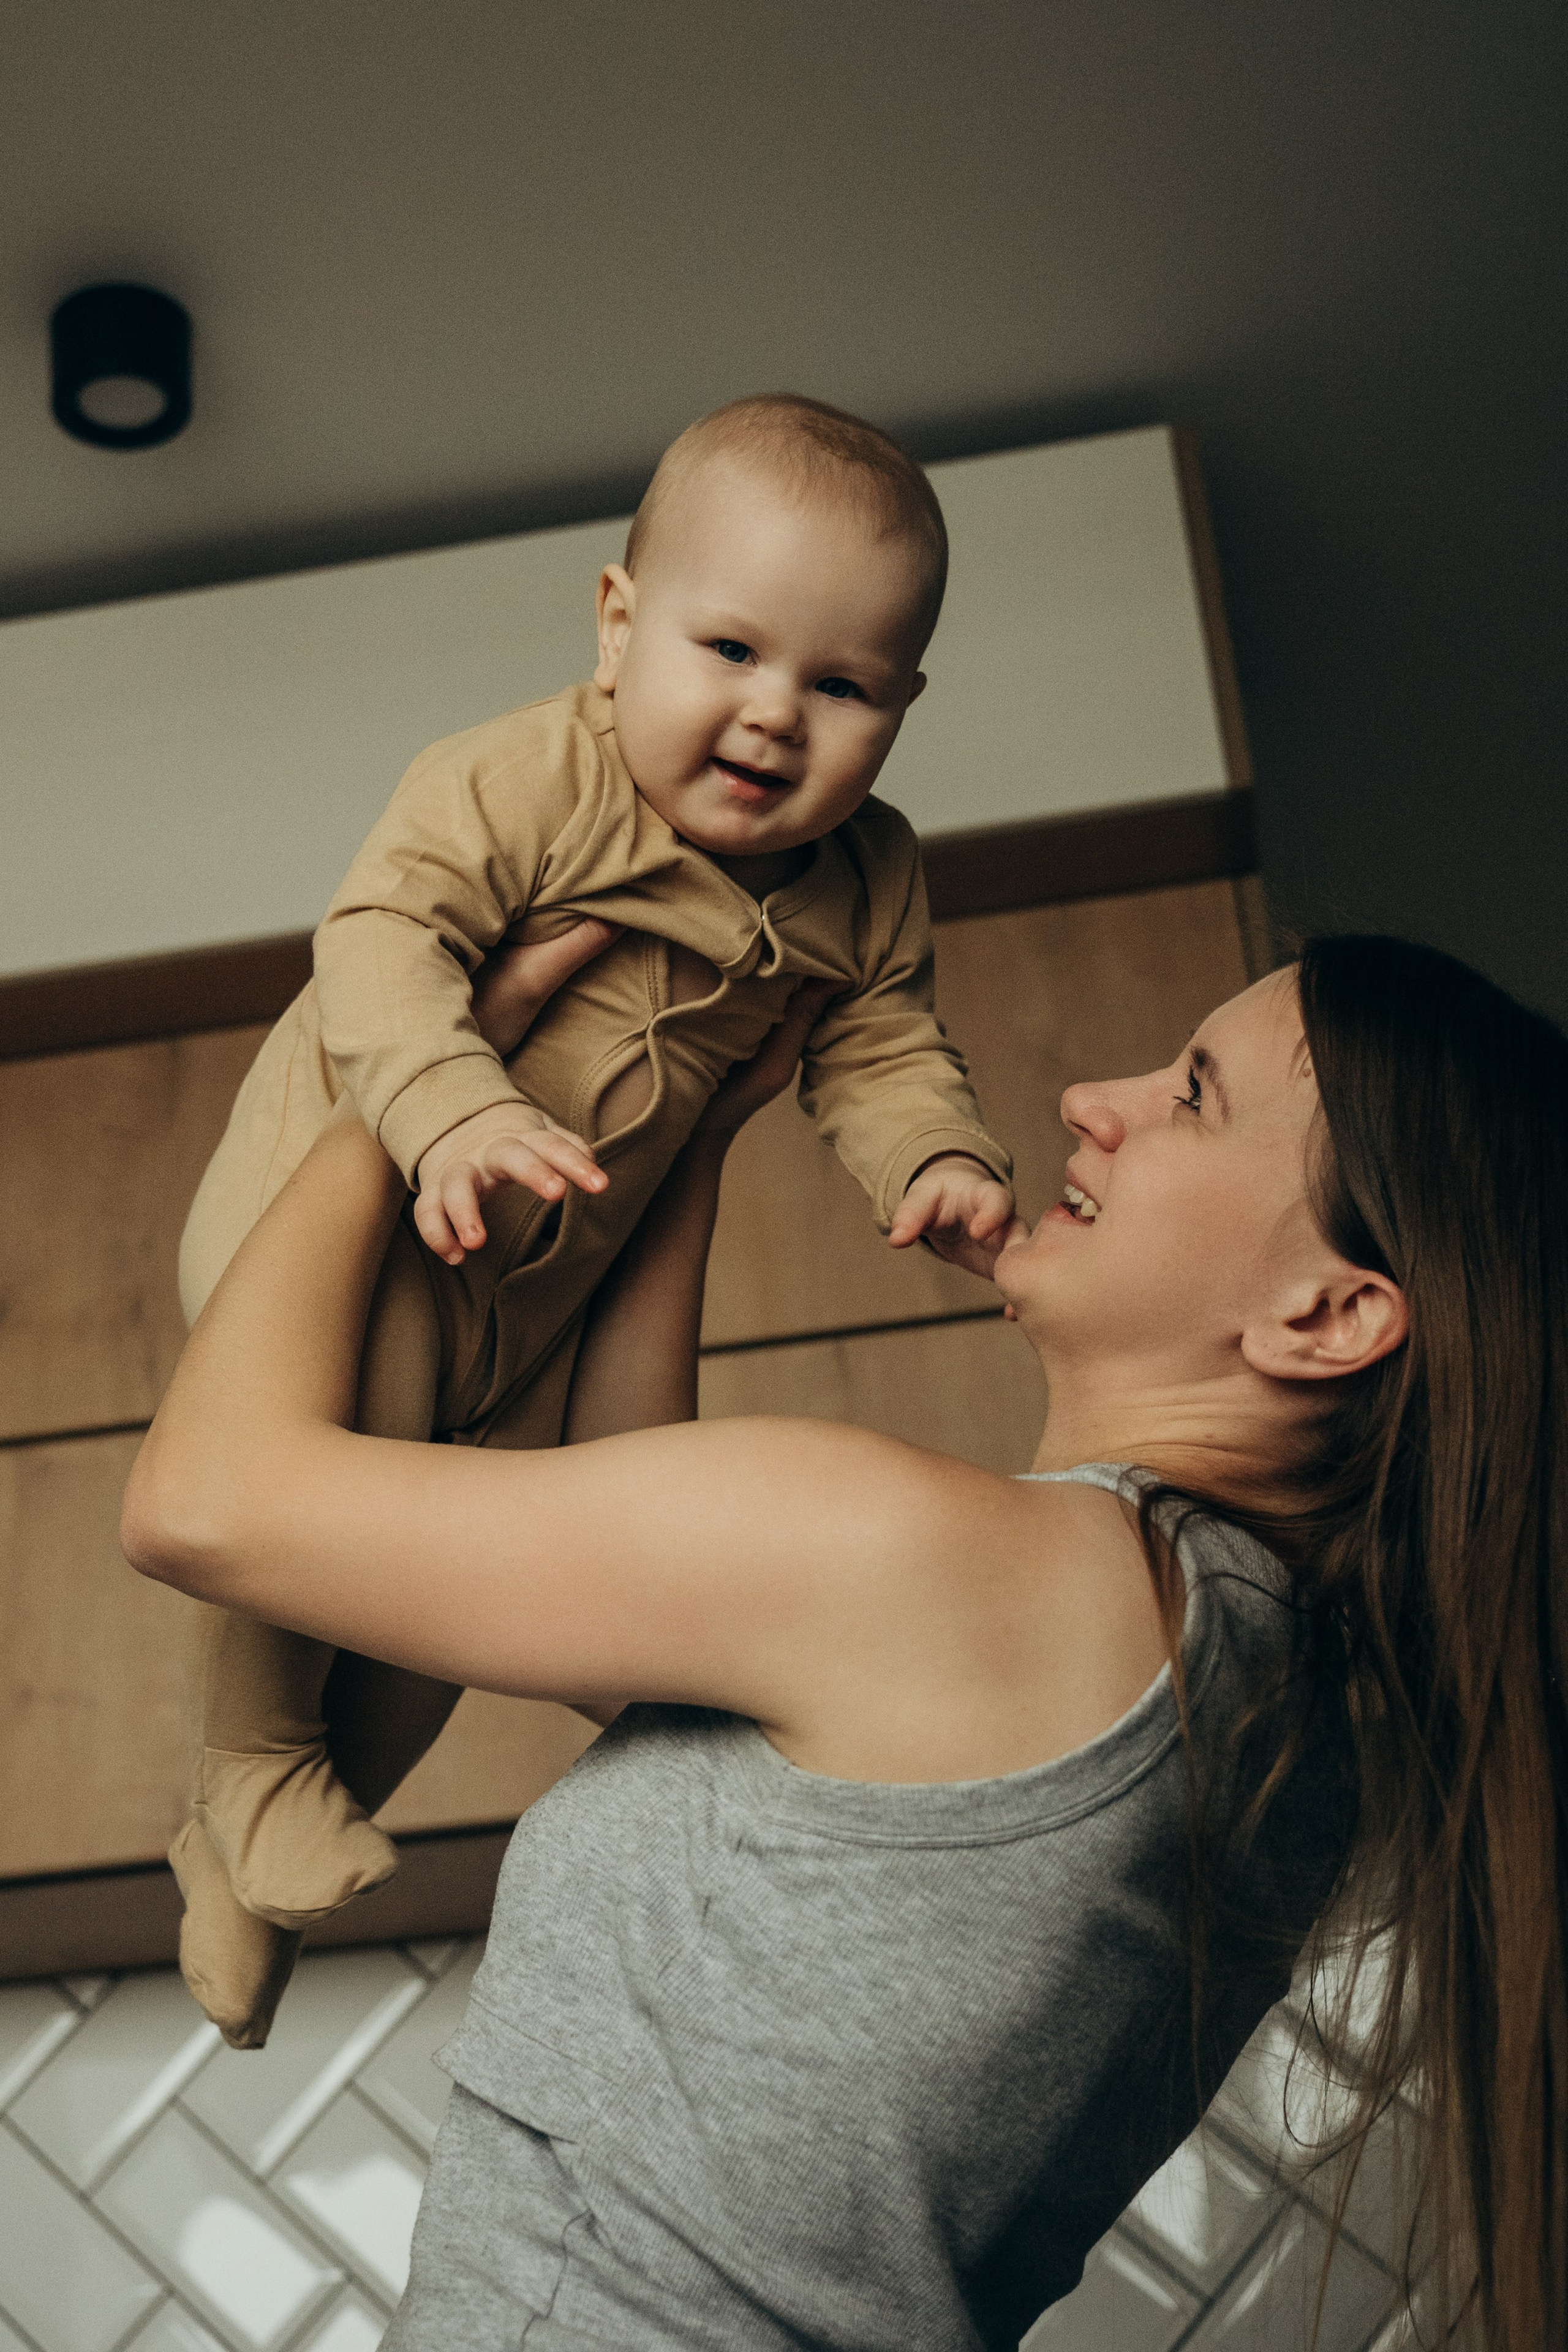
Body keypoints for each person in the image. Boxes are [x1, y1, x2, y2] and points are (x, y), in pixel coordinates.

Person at [123, 929, 1568, 2351]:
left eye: (1192, 1096)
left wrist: (409, 1079)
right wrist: (694, 1131)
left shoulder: (957, 1568)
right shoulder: (1279, 1700)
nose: (1092, 1102)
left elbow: (202, 1503)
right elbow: (655, 1621)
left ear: (1326, 1316)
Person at [172, 391, 1016, 2048]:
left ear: (902, 708)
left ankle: (245, 1850)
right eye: (732, 650)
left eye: (841, 687)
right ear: (619, 625)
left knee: (444, 1609)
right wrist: (451, 1107)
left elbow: (882, 1043)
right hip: (350, 1230)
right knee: (346, 1486)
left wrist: (933, 1156)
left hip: (539, 1299)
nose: (774, 715)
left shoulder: (867, 878)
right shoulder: (532, 780)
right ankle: (253, 1765)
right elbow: (380, 937)